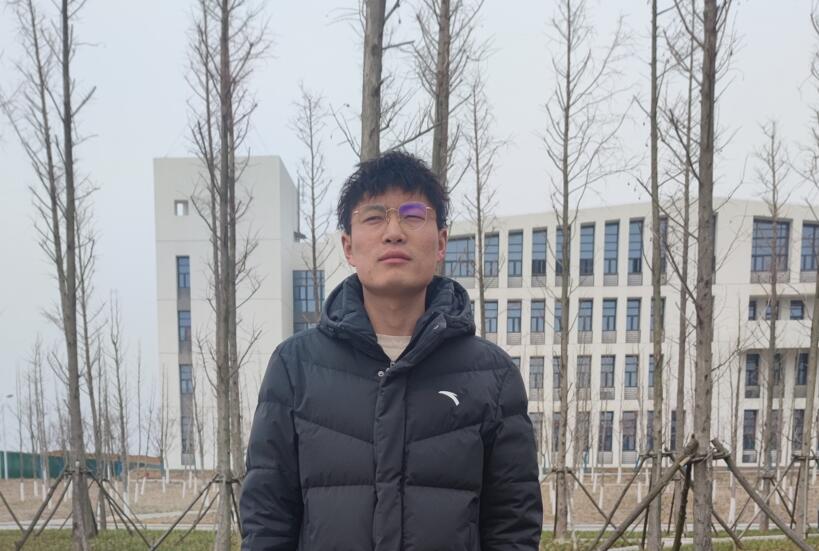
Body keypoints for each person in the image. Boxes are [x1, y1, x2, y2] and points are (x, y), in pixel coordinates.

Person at [240, 151, 543, 550]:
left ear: (441, 242)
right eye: (374, 217)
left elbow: (513, 529)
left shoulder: (492, 376)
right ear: (348, 246)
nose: (394, 232)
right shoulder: (296, 368)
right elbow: (267, 523)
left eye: (414, 215)